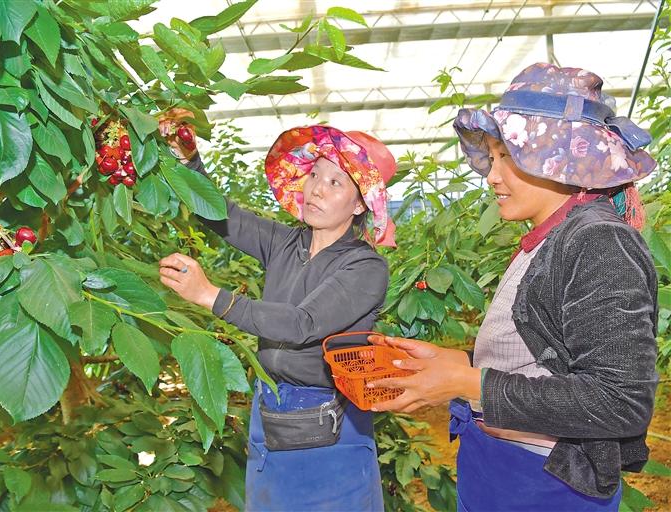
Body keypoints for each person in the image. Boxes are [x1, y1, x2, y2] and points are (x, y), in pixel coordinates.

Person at [367, 63, 659, 511]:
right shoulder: (550, 235)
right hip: (500, 467)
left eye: (508, 156)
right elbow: (545, 355)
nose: (491, 175)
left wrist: (468, 382)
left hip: (546, 486)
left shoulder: (598, 241)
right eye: (493, 156)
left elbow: (619, 401)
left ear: (559, 160)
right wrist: (462, 363)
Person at [157, 112, 397, 511]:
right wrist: (189, 161)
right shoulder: (286, 242)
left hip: (330, 428)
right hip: (270, 414)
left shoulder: (365, 267)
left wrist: (211, 296)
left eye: (335, 182)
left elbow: (301, 323)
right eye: (315, 174)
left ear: (360, 204)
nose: (317, 189)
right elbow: (223, 216)